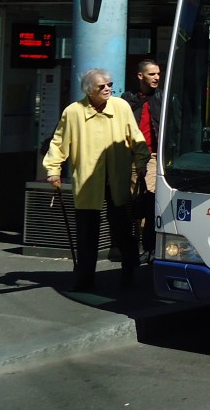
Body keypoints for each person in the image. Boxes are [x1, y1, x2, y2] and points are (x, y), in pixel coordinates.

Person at [43, 68, 150, 292]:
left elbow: (135, 135)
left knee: (121, 228)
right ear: (89, 90)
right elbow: (59, 141)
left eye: (109, 84)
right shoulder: (73, 112)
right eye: (102, 86)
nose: (108, 89)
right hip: (88, 179)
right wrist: (53, 169)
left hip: (116, 177)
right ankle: (85, 277)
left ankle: (129, 268)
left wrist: (141, 160)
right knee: (86, 231)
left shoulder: (120, 107)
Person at [122, 58, 162, 263]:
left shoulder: (162, 98)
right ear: (140, 76)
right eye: (152, 74)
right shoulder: (127, 100)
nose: (156, 77)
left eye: (158, 73)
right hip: (132, 156)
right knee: (135, 201)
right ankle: (136, 245)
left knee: (151, 201)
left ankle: (149, 246)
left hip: (154, 156)